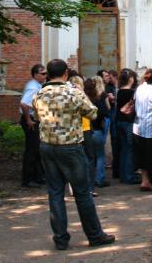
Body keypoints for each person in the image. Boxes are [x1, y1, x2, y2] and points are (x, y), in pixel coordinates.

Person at [33, 59, 115, 250]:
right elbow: (93, 113)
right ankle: (95, 235)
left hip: (47, 146)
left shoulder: (40, 93)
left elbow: (36, 116)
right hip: (70, 147)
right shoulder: (73, 92)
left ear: (49, 74)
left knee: (55, 193)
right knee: (82, 193)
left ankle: (60, 239)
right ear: (66, 74)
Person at [20, 63, 46, 187]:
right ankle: (27, 179)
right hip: (30, 119)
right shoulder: (34, 88)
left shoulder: (36, 85)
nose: (45, 76)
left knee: (36, 150)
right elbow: (24, 104)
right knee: (32, 150)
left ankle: (37, 176)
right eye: (43, 74)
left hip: (33, 118)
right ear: (36, 75)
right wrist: (28, 120)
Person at [115, 68, 139, 184]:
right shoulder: (132, 93)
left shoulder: (119, 91)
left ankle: (123, 175)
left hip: (119, 121)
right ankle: (129, 177)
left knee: (124, 149)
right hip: (128, 122)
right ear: (130, 79)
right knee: (129, 150)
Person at [88, 76, 111, 188]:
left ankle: (90, 181)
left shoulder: (84, 99)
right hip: (96, 130)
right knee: (100, 155)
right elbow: (106, 111)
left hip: (87, 131)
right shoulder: (99, 98)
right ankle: (99, 179)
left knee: (90, 157)